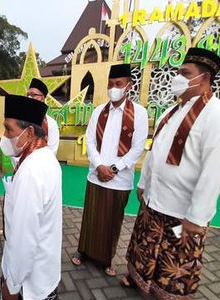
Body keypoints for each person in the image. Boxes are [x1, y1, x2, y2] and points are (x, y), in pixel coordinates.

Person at [122, 48, 220, 299]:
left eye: (185, 73)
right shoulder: (171, 112)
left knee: (174, 264)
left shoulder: (219, 116)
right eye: (178, 73)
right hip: (155, 201)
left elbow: (214, 173)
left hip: (182, 213)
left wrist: (197, 217)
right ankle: (141, 281)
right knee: (146, 250)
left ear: (205, 78)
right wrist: (143, 183)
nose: (178, 78)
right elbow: (155, 153)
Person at [71, 64, 149, 276]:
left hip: (120, 179)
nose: (113, 88)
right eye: (110, 84)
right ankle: (83, 252)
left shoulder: (139, 114)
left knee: (113, 221)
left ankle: (106, 259)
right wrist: (99, 165)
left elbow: (137, 148)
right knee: (91, 218)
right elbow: (89, 141)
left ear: (128, 86)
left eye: (118, 84)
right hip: (96, 175)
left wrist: (113, 168)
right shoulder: (99, 111)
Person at [0, 95, 62, 300]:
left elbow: (23, 239)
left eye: (9, 129)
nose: (5, 135)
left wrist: (13, 285)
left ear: (30, 132)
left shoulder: (32, 170)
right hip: (43, 274)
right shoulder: (44, 157)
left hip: (28, 284)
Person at [26, 78, 60, 154]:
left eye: (34, 95)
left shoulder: (51, 123)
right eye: (27, 95)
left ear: (43, 98)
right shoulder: (20, 120)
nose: (29, 98)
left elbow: (52, 151)